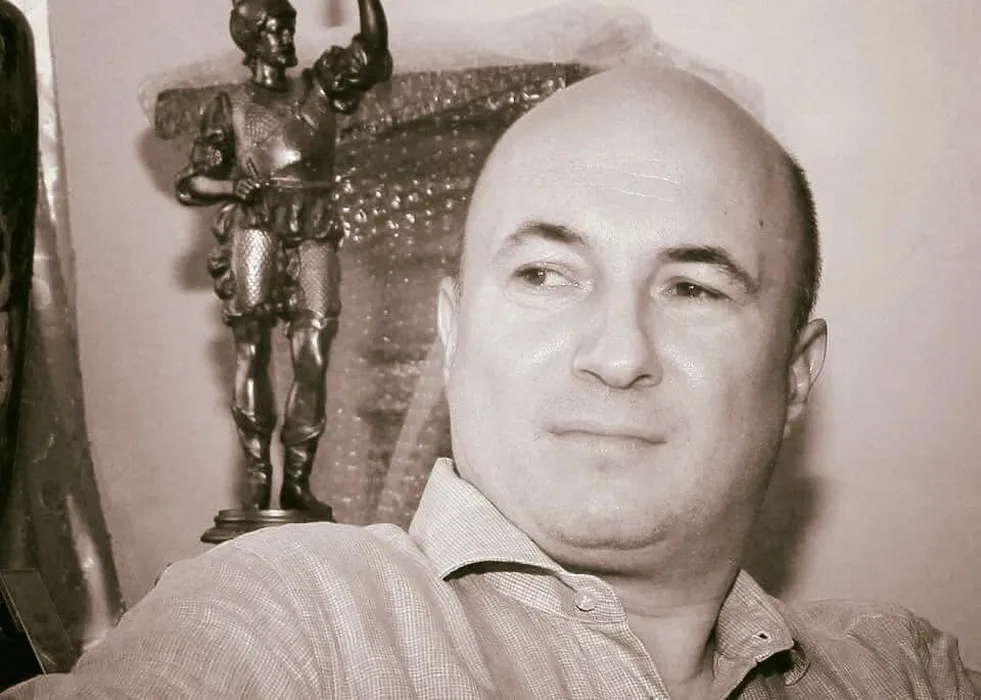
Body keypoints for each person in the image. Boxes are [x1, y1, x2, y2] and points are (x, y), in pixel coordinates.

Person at [6, 64, 979, 699]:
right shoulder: (299, 622)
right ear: (452, 331)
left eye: (692, 287)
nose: (617, 354)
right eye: (546, 275)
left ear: (795, 377)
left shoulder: (898, 668)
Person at [174, 0, 392, 518]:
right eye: (275, 29)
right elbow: (190, 183)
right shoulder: (230, 105)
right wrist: (231, 185)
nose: (286, 37)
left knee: (314, 347)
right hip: (255, 227)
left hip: (314, 226)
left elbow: (371, 51)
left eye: (289, 27)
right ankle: (258, 477)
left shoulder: (320, 88)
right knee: (252, 348)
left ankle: (297, 481)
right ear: (252, 40)